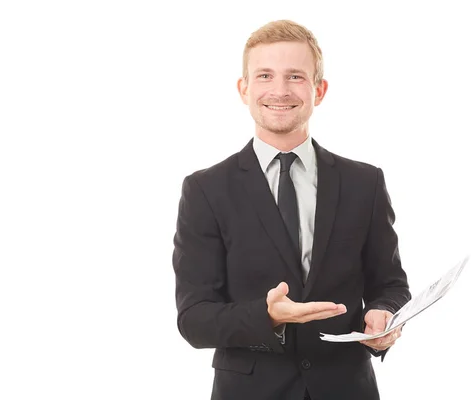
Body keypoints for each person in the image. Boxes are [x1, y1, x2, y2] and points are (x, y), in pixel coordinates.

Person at [172, 19, 411, 400]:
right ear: (244, 89)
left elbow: (390, 284)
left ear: (320, 90)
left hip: (346, 388)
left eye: (296, 76)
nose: (279, 90)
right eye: (265, 75)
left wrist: (383, 313)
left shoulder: (364, 183)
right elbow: (194, 319)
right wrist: (267, 316)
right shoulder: (206, 189)